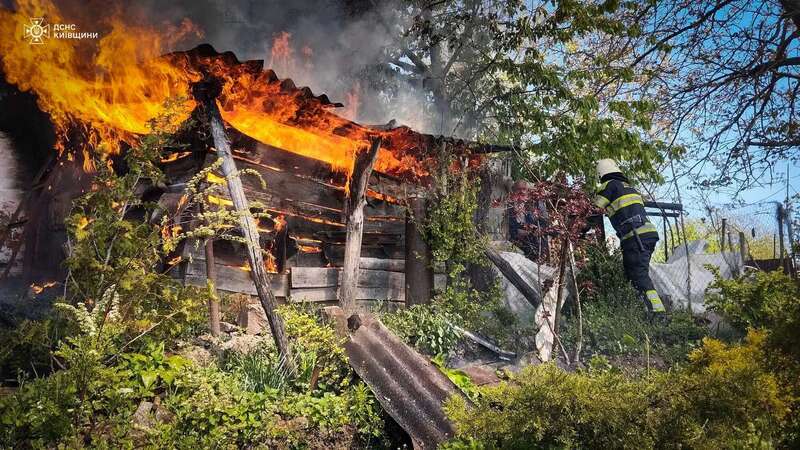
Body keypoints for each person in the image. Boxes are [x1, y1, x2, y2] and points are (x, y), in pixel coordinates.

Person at [594, 159, 666, 314]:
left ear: (600, 174)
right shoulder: (630, 188)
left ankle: (658, 313)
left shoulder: (609, 186)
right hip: (647, 234)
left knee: (639, 276)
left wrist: (579, 229)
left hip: (635, 237)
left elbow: (593, 211)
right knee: (632, 275)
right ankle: (645, 311)